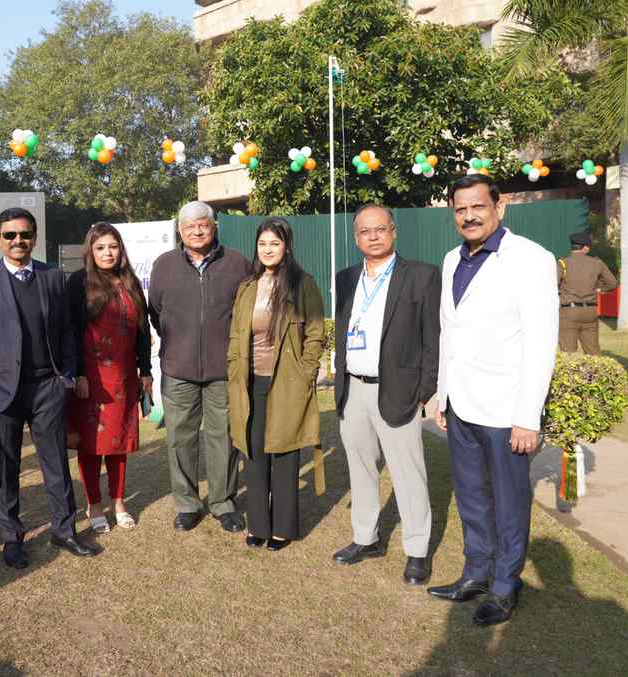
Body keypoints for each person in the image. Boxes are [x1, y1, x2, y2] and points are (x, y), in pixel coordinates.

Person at [428, 174, 558, 627]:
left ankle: (505, 586)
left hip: (506, 410)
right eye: (460, 209)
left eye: (478, 206)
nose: (469, 216)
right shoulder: (451, 259)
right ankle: (475, 574)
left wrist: (528, 417)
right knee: (471, 497)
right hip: (461, 405)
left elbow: (541, 342)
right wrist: (443, 394)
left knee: (508, 502)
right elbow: (449, 332)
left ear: (499, 207)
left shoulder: (531, 259)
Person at [0, 207, 100, 568]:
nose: (18, 241)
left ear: (35, 238)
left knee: (56, 463)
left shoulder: (53, 277)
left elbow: (68, 330)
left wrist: (66, 376)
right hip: (0, 392)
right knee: (6, 468)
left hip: (48, 388)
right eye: (10, 235)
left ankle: (64, 530)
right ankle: (12, 538)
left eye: (25, 234)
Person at [332, 204, 440, 584]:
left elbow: (433, 338)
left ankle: (417, 549)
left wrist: (425, 390)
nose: (373, 236)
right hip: (353, 389)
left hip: (397, 390)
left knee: (408, 473)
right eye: (365, 231)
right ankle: (366, 537)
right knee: (361, 469)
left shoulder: (422, 276)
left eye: (380, 229)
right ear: (356, 237)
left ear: (393, 231)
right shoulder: (346, 278)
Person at [148, 201, 253, 533]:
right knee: (180, 439)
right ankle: (187, 504)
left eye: (203, 224)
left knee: (224, 438)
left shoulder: (237, 263)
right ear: (180, 230)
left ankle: (223, 502)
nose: (196, 231)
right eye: (189, 226)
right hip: (178, 369)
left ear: (213, 226)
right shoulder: (163, 265)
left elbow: (248, 313)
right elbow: (156, 312)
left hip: (224, 370)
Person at [227, 218, 325, 551]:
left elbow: (316, 333)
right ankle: (258, 525)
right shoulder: (247, 286)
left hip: (288, 383)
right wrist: (233, 370)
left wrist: (306, 372)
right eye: (262, 243)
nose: (268, 250)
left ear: (287, 246)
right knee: (253, 453)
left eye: (275, 243)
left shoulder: (303, 284)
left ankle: (282, 528)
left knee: (284, 452)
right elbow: (236, 335)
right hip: (250, 382)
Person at [66, 223, 152, 533]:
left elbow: (143, 330)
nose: (107, 253)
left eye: (113, 246)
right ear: (90, 251)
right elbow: (71, 332)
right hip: (91, 378)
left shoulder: (130, 282)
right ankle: (94, 504)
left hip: (125, 378)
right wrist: (77, 373)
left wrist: (146, 371)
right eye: (100, 247)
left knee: (119, 444)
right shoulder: (78, 282)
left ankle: (118, 503)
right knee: (91, 446)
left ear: (121, 249)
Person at [557, 232, 618, 355]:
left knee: (568, 353)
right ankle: (596, 369)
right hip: (590, 311)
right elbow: (612, 283)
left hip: (569, 311)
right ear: (585, 247)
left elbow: (552, 284)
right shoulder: (597, 263)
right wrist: (599, 289)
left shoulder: (563, 263)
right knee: (593, 352)